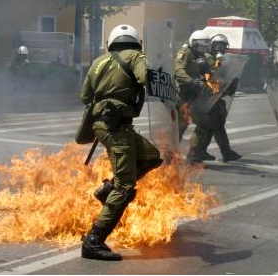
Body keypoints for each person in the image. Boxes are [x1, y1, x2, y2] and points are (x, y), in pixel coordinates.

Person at [79, 24, 163, 261]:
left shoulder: (98, 61)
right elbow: (144, 77)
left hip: (103, 126)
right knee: (125, 187)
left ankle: (107, 190)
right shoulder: (136, 56)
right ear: (136, 41)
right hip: (117, 127)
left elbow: (85, 96)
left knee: (150, 156)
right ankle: (94, 241)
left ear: (112, 41)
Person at [189, 34, 241, 162]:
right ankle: (198, 152)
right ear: (212, 46)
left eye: (223, 46)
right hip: (206, 97)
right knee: (210, 125)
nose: (220, 49)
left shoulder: (220, 59)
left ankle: (199, 152)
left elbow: (224, 77)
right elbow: (212, 73)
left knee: (213, 125)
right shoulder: (206, 58)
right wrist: (219, 63)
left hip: (215, 96)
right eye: (218, 45)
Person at [174, 30, 210, 144]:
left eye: (204, 48)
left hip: (196, 95)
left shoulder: (201, 56)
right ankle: (174, 152)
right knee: (182, 125)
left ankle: (196, 153)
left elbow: (208, 73)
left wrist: (213, 80)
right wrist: (192, 81)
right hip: (184, 93)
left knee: (203, 123)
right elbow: (178, 70)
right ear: (193, 44)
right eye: (200, 47)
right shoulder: (185, 52)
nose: (202, 50)